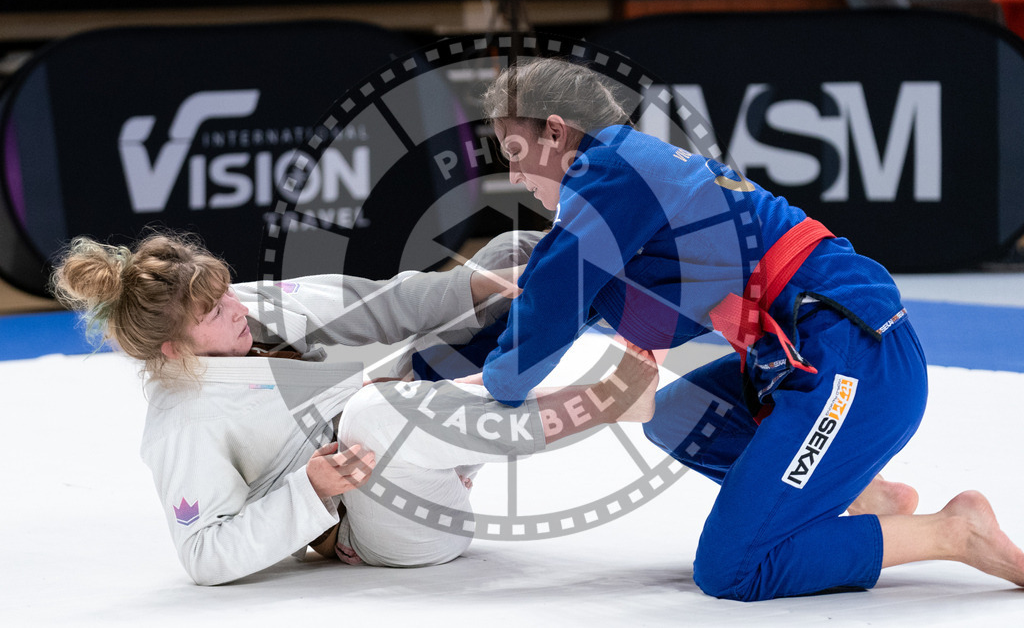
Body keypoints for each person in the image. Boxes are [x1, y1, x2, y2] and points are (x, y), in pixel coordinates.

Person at [474, 56, 1024, 601]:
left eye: (515, 153)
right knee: (679, 418)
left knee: (735, 569)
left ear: (555, 131)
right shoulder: (635, 173)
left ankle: (955, 532)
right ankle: (866, 496)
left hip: (854, 360)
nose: (516, 176)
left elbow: (550, 305)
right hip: (814, 353)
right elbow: (575, 296)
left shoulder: (610, 172)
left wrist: (498, 388)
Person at [50, 229, 658, 586]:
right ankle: (606, 402)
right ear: (173, 348)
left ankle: (644, 277)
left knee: (509, 255)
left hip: (423, 435)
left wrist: (472, 288)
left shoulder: (239, 306)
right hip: (385, 528)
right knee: (372, 414)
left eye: (225, 292)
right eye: (213, 314)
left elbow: (371, 306)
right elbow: (203, 554)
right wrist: (308, 490)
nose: (236, 309)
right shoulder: (182, 422)